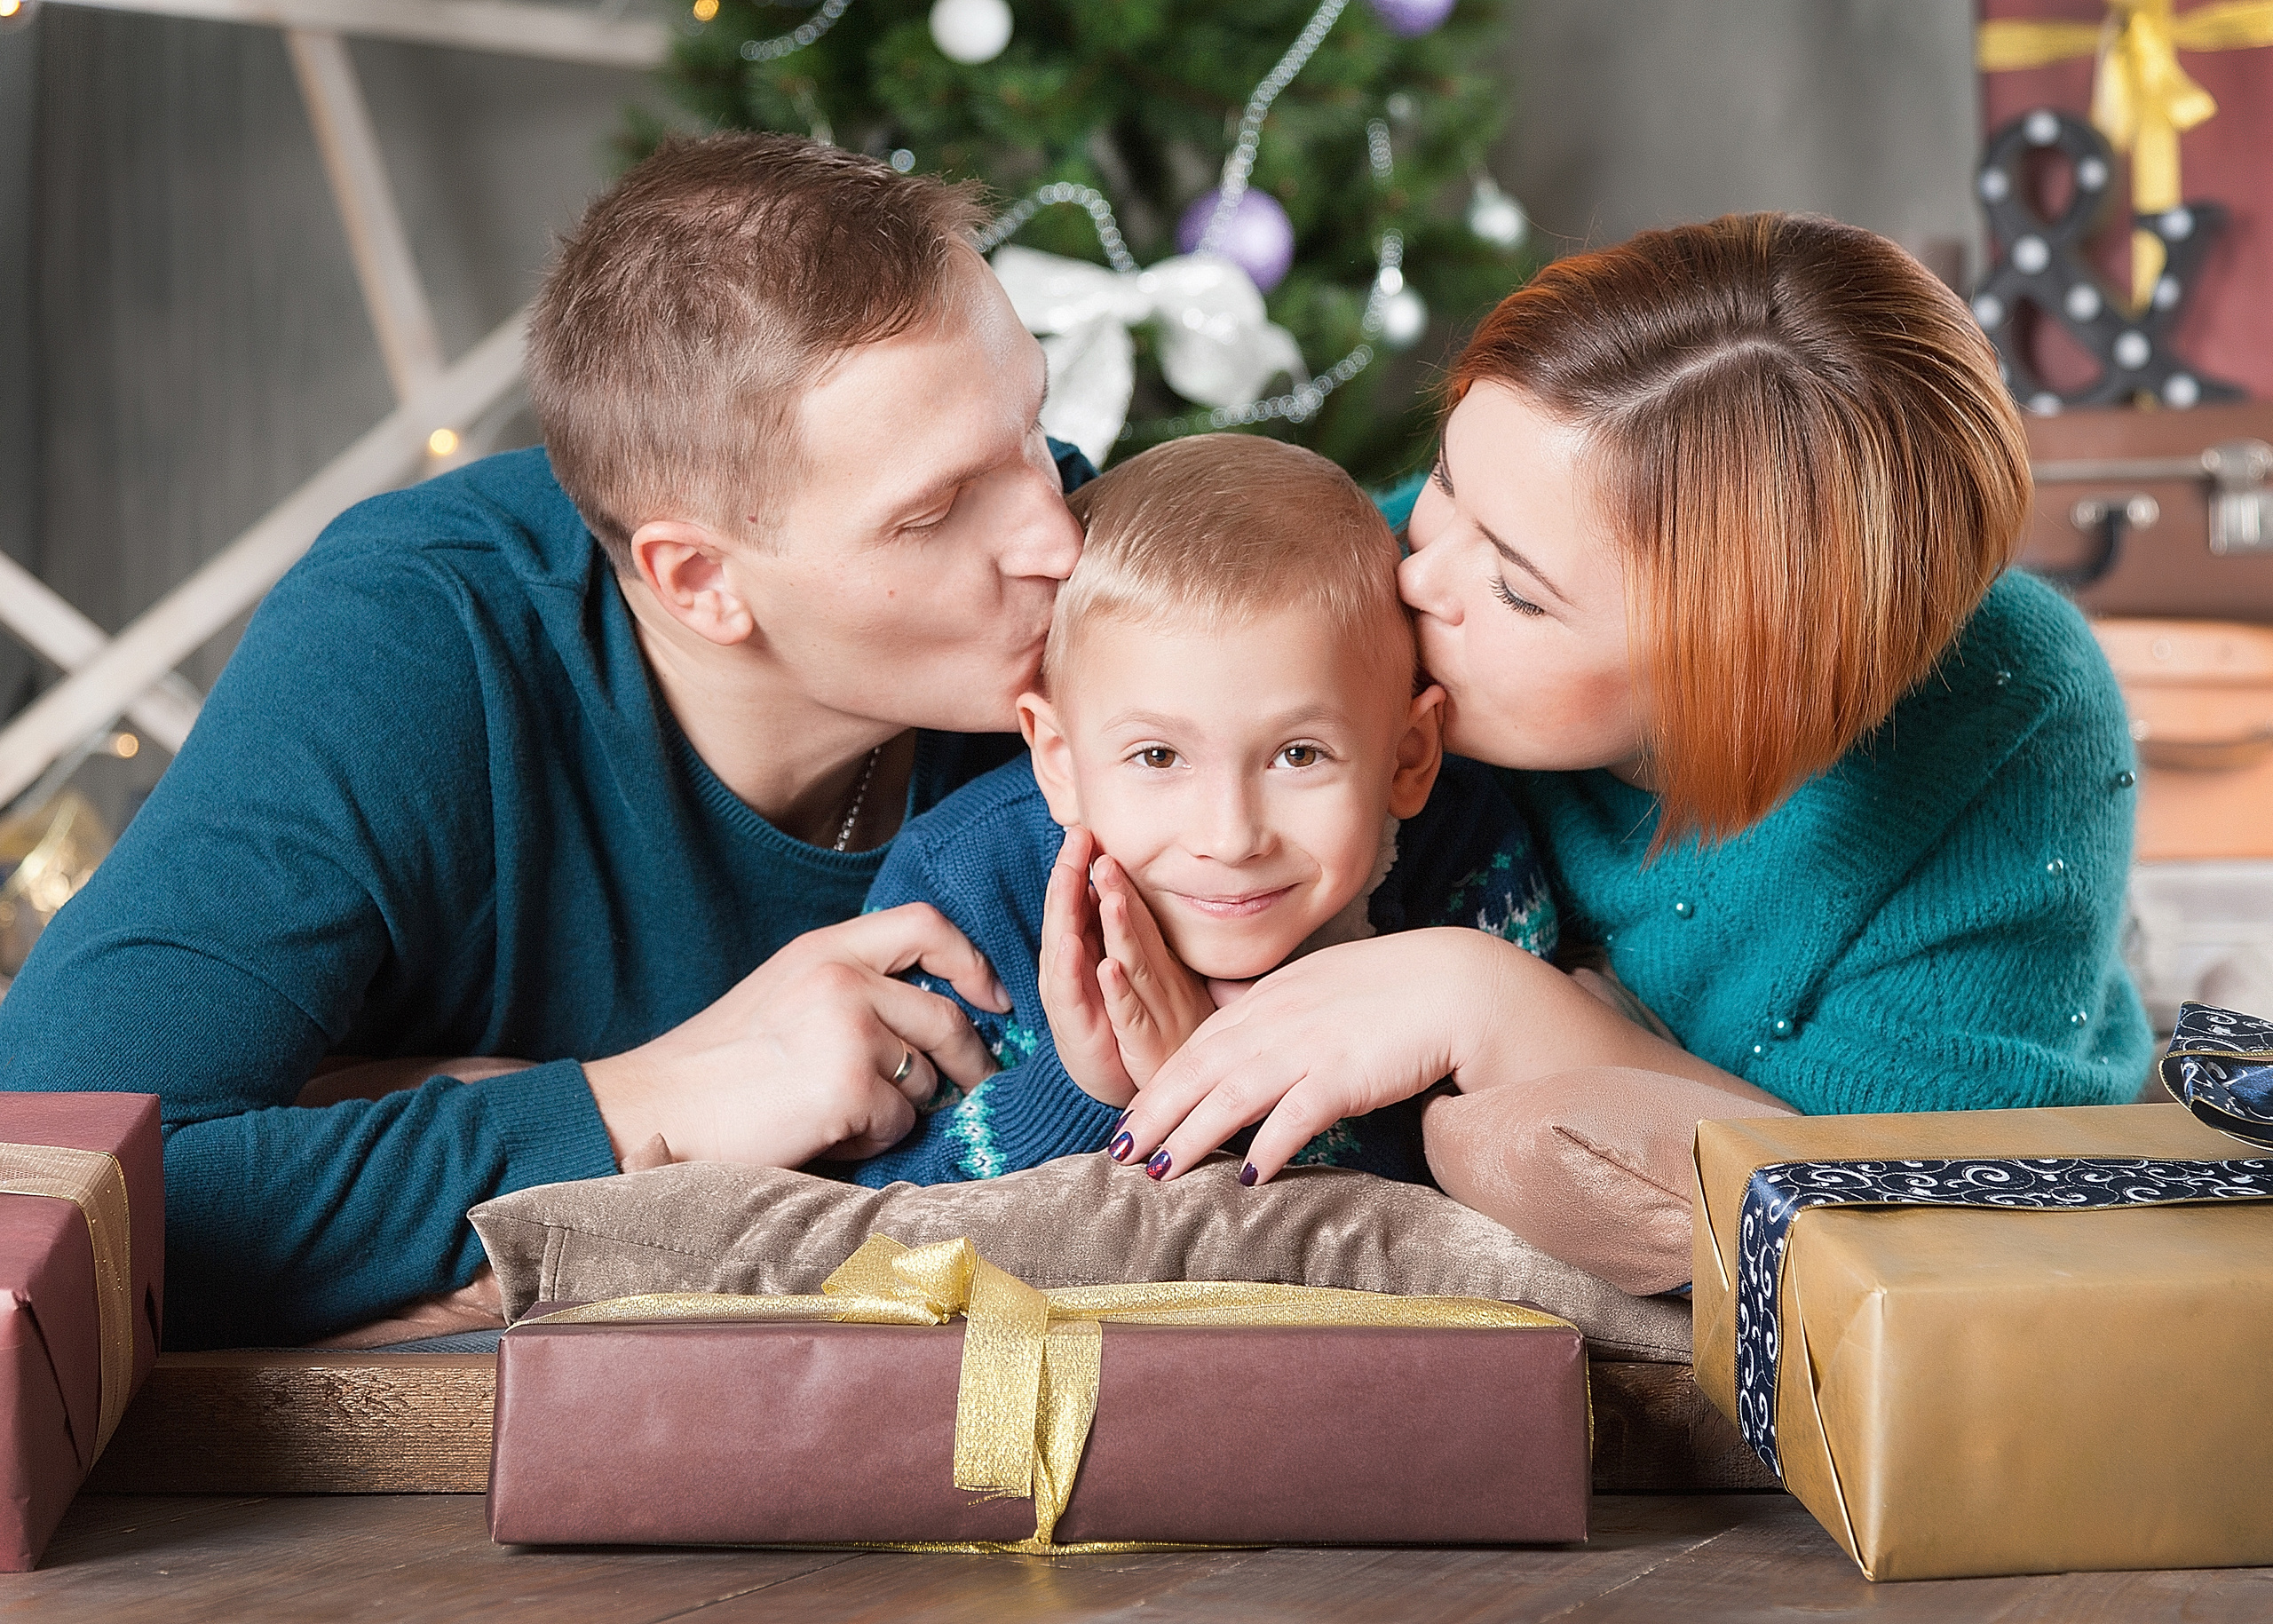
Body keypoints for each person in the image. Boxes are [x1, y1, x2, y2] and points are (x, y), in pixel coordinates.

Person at [0, 133, 1097, 1348]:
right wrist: (659, 1101)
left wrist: (413, 1114)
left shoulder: (1105, 596)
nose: (1059, 537)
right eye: (937, 513)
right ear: (698, 582)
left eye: (1031, 431)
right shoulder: (413, 640)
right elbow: (40, 1182)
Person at [1109, 214, 2149, 1234]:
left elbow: (1904, 1226)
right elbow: (1096, 641)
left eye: (1516, 591)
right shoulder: (1428, 563)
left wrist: (1487, 1003)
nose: (1416, 572)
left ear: (1745, 680)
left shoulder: (2011, 723)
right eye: (1444, 479)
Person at [843, 434, 1555, 1187]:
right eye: (1157, 757)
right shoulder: (965, 888)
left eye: (1299, 755)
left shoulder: (1470, 857)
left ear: (1408, 758)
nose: (1230, 836)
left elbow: (1515, 1185)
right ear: (1059, 760)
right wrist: (1092, 1092)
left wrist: (1236, 1101)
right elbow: (865, 1206)